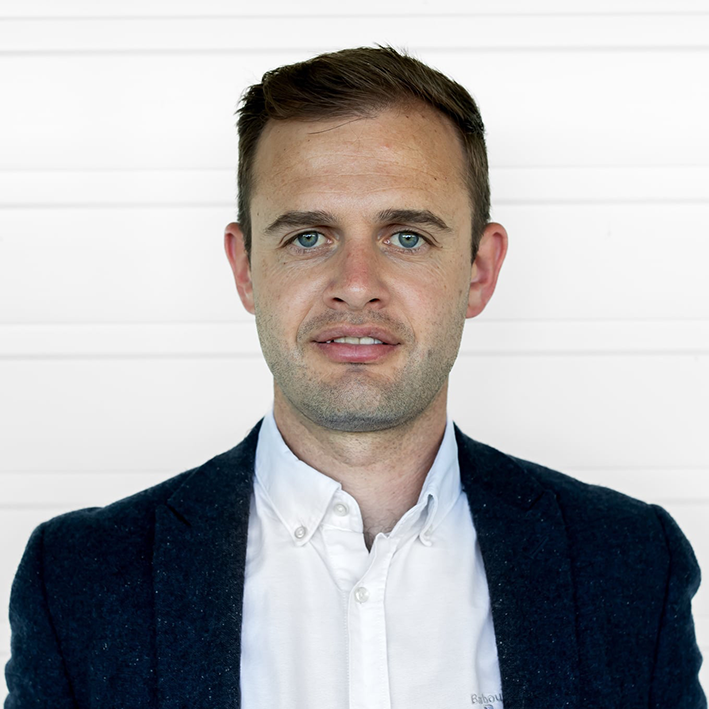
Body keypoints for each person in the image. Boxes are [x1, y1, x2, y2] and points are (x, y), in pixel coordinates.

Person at [4, 45, 705, 708]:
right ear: (245, 268)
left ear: (478, 270)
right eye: (308, 237)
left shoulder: (632, 565)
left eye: (407, 236)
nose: (357, 283)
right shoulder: (78, 580)